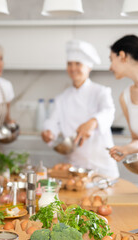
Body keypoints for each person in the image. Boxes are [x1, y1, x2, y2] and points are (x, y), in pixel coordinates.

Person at [41, 39, 119, 178]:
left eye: (78, 63)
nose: (73, 68)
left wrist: (93, 122)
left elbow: (109, 111)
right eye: (69, 64)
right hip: (74, 167)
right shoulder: (62, 98)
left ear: (88, 67)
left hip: (102, 167)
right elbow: (52, 121)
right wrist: (48, 132)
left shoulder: (101, 91)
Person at [108, 35, 138, 161]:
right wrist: (125, 149)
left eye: (111, 60)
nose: (110, 67)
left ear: (122, 56)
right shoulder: (125, 97)